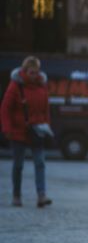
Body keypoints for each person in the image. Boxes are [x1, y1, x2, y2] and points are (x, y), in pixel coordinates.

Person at [1, 56, 53, 208]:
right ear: (25, 71)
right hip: (18, 131)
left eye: (36, 72)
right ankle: (17, 196)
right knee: (18, 165)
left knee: (40, 163)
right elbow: (5, 108)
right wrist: (7, 129)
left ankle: (41, 195)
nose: (34, 75)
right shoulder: (16, 85)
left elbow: (46, 109)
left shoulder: (42, 85)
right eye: (31, 72)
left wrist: (46, 125)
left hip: (37, 131)